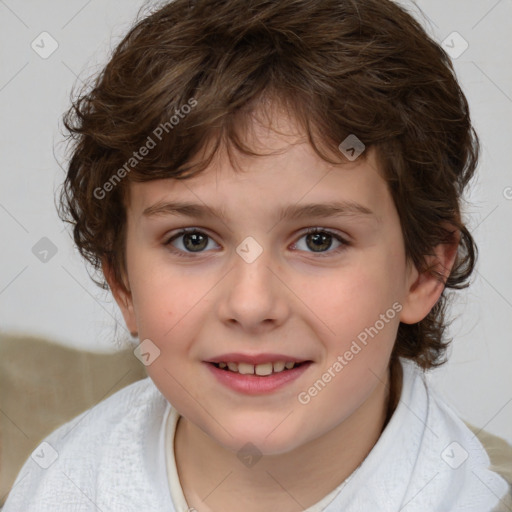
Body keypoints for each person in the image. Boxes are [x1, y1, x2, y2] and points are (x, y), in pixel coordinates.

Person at [4, 0, 511, 510]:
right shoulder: (56, 485)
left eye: (319, 239)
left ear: (424, 270)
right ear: (123, 282)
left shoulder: (475, 494)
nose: (251, 304)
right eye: (193, 240)